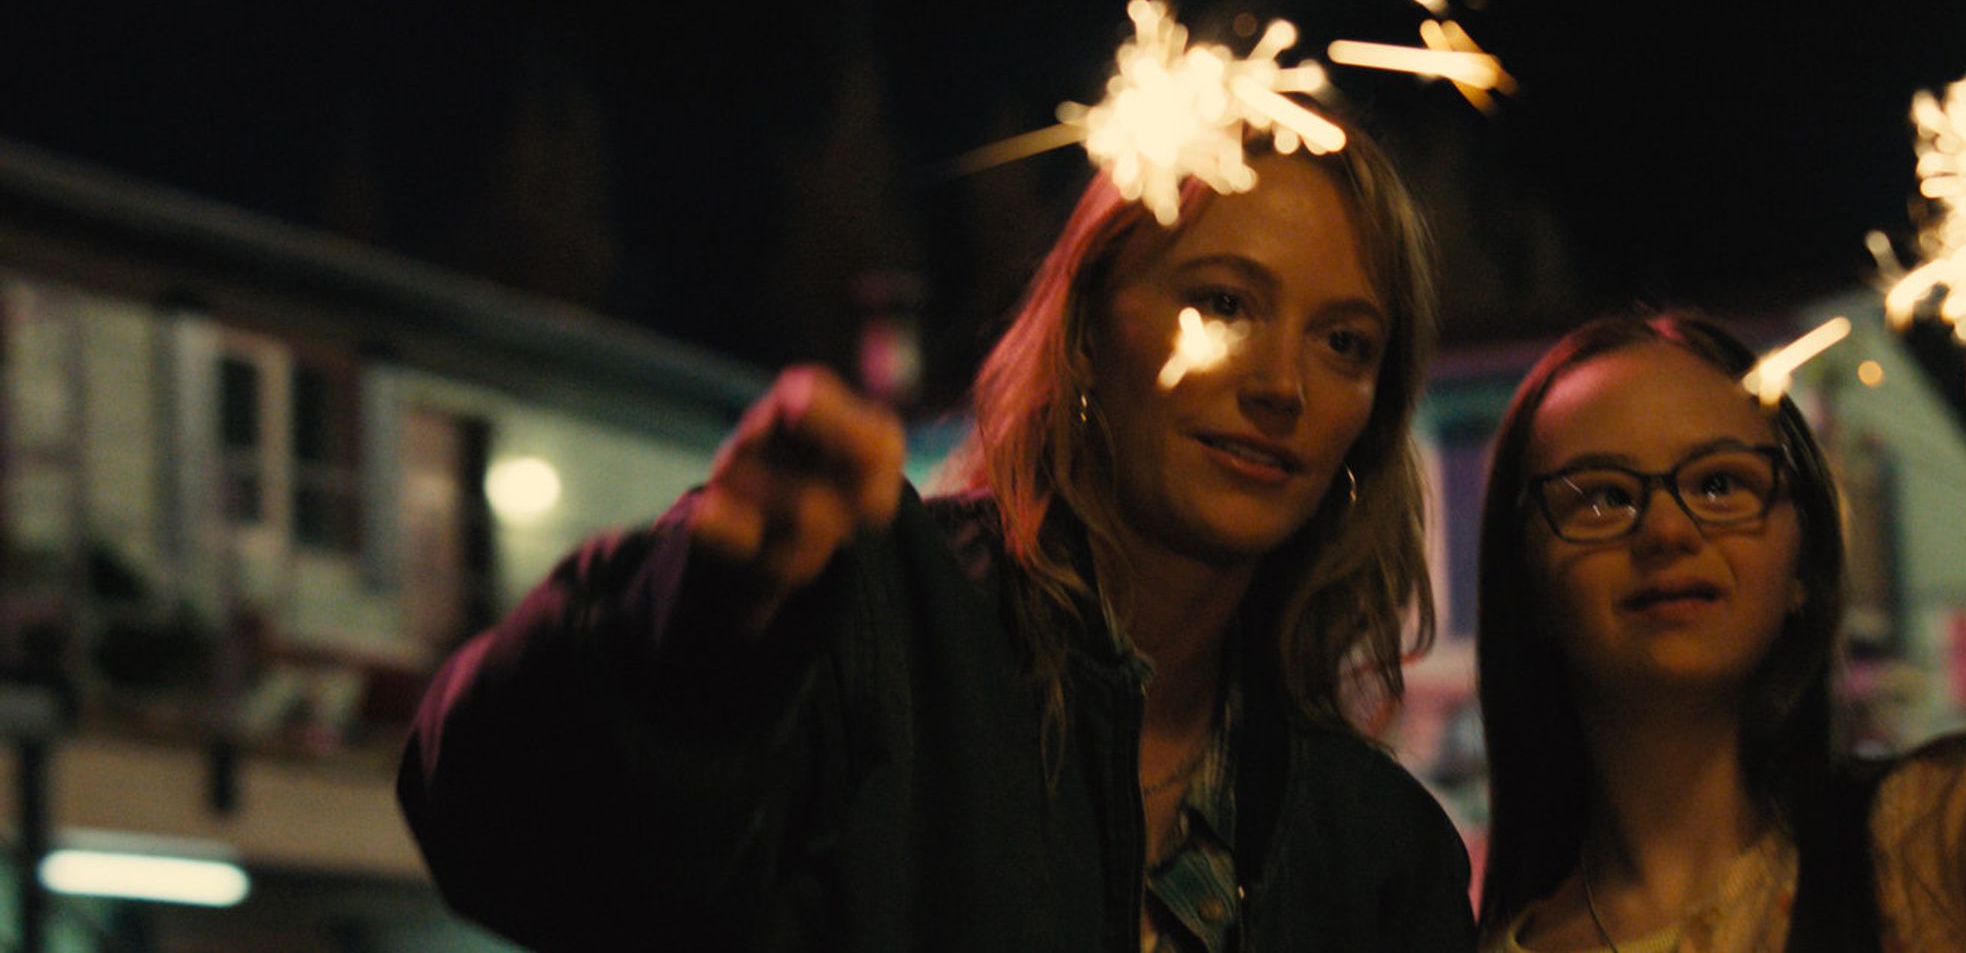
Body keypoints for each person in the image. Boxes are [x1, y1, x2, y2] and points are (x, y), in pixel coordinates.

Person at [397, 135, 1474, 950]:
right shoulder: (867, 626)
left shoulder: (1375, 854)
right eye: (1225, 302)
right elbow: (506, 840)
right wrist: (688, 635)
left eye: (1345, 342)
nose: (1283, 384)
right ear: (1088, 335)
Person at [1473, 313, 1966, 951]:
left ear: (1802, 560)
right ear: (1527, 581)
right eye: (1602, 498)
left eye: (1721, 484)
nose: (1667, 530)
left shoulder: (1922, 863)